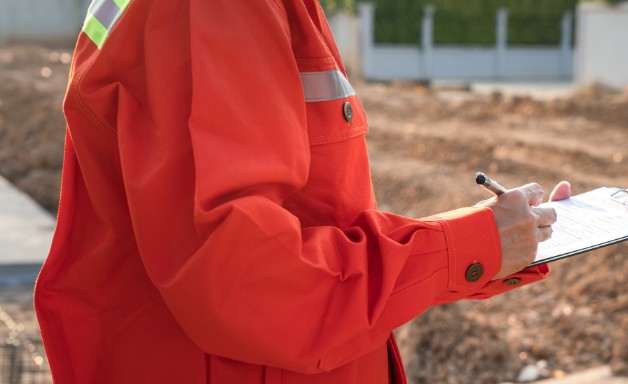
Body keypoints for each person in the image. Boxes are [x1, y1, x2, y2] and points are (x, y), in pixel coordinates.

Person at [34, 1, 570, 383]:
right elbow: (250, 281)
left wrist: (489, 241)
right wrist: (463, 246)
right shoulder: (219, 11)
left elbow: (302, 239)